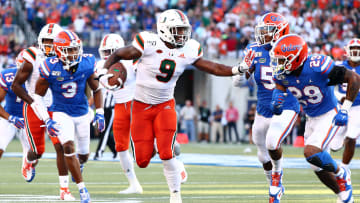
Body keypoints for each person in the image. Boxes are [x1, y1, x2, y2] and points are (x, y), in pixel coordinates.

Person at [100, 9, 244, 203]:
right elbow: (118, 53)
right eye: (177, 30)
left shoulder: (189, 48)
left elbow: (212, 67)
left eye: (184, 30)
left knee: (167, 153)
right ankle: (162, 146)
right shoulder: (148, 42)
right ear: (165, 29)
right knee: (142, 160)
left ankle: (175, 195)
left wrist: (235, 69)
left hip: (165, 105)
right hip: (141, 106)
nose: (182, 34)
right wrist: (102, 70)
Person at [270, 34, 360, 203]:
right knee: (316, 165)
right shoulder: (283, 74)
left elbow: (354, 78)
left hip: (329, 113)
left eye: (282, 60)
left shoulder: (317, 65)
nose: (279, 64)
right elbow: (280, 87)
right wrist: (276, 99)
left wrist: (345, 109)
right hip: (311, 118)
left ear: (296, 58)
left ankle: (342, 173)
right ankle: (344, 196)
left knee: (311, 152)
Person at [232, 12, 300, 203]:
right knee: (262, 154)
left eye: (268, 31)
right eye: (262, 30)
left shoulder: (290, 47)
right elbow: (237, 83)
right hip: (262, 108)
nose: (263, 35)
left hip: (286, 104)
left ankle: (277, 180)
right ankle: (273, 183)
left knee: (272, 142)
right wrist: (242, 68)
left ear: (280, 32)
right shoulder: (254, 49)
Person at [33, 30, 105, 203]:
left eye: (75, 49)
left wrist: (100, 113)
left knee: (84, 155)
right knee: (68, 147)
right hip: (60, 112)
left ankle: (79, 165)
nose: (74, 53)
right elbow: (37, 97)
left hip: (81, 113)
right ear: (58, 50)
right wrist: (47, 119)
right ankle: (82, 189)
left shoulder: (86, 63)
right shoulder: (50, 66)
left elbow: (96, 88)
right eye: (70, 50)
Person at [12, 24, 76, 201]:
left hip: (56, 107)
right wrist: (34, 102)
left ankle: (64, 190)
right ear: (40, 41)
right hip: (33, 106)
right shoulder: (32, 56)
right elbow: (15, 85)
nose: (48, 46)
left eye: (52, 42)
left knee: (61, 146)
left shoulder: (66, 56)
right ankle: (29, 160)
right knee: (37, 151)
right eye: (46, 42)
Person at [96, 33, 143, 194]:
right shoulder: (101, 66)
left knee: (149, 141)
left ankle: (175, 160)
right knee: (121, 147)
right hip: (120, 106)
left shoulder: (132, 62)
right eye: (105, 52)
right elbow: (101, 88)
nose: (107, 56)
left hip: (137, 103)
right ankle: (134, 184)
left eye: (111, 51)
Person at [332, 38, 360, 178]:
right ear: (348, 51)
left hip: (358, 108)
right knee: (334, 146)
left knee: (351, 137)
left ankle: (344, 168)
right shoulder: (339, 66)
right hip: (341, 106)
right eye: (353, 49)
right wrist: (339, 97)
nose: (355, 52)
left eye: (358, 49)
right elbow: (329, 88)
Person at [0, 65, 29, 160]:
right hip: (9, 117)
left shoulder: (38, 76)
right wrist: (10, 118)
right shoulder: (8, 75)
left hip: (29, 119)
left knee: (32, 156)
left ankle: (28, 169)